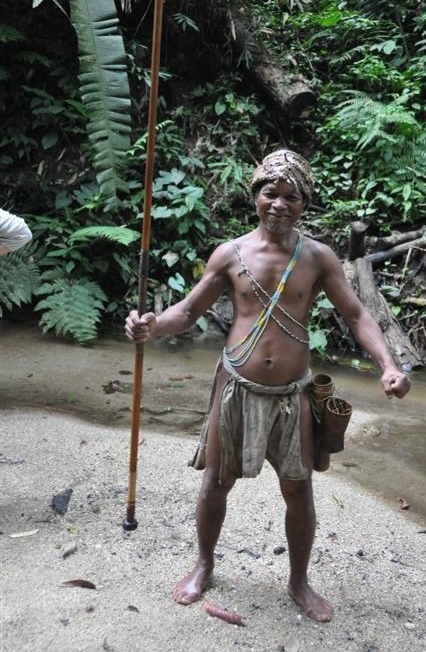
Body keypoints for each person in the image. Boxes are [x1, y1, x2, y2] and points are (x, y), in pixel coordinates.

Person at [125, 149, 410, 623]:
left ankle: (299, 581)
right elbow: (188, 312)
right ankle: (203, 565)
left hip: (292, 396)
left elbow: (357, 314)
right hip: (236, 388)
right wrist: (152, 326)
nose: (279, 204)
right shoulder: (230, 255)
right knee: (216, 482)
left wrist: (388, 365)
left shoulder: (317, 257)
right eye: (270, 193)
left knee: (298, 489)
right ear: (255, 196)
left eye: (291, 197)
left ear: (304, 204)